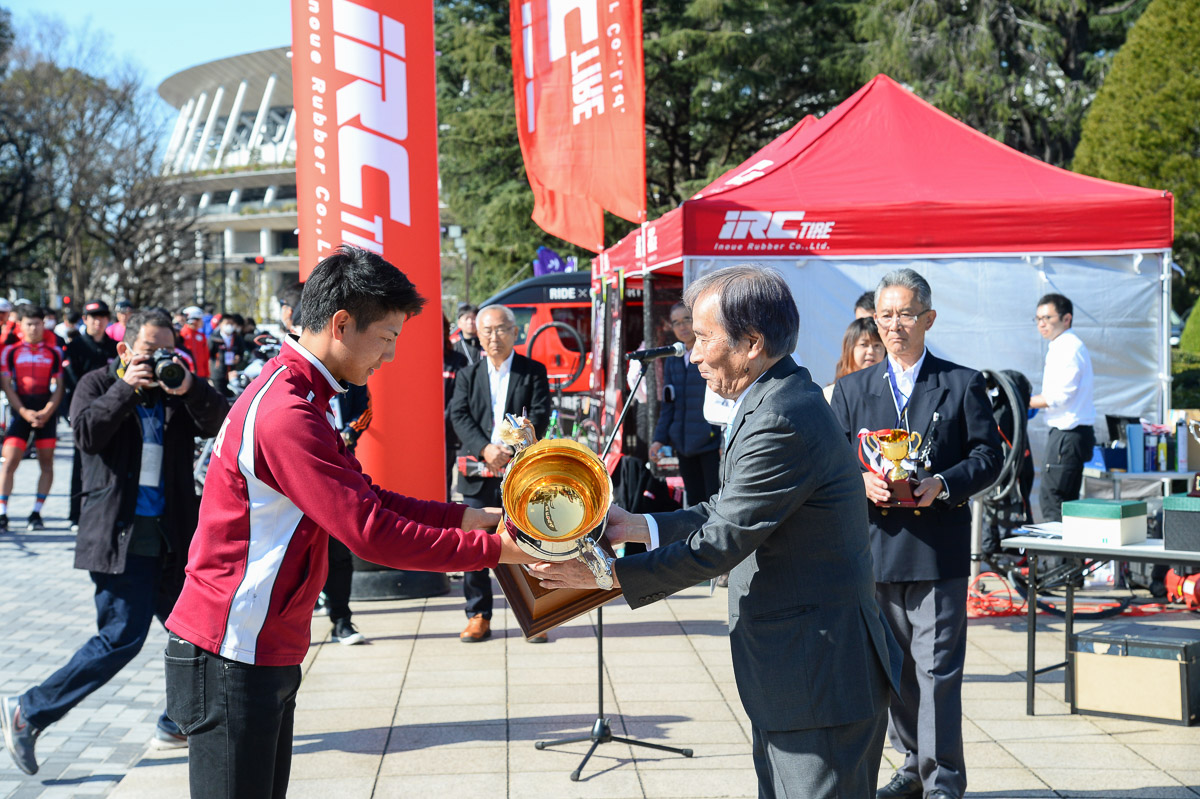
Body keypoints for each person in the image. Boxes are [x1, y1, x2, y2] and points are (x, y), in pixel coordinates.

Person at [162, 246, 537, 799]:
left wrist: (476, 517)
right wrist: (497, 551)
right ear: (341, 324)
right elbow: (368, 532)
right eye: (386, 337)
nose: (388, 356)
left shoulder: (304, 394)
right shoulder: (286, 412)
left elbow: (368, 497)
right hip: (231, 647)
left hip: (263, 641)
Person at [533, 265, 897, 799]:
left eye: (703, 338)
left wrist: (604, 577)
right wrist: (640, 525)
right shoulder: (773, 396)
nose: (694, 354)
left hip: (818, 677)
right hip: (801, 674)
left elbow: (722, 542)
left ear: (751, 343)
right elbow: (730, 508)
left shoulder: (782, 416)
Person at [0, 310, 229, 775]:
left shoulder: (175, 388)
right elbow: (85, 435)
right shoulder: (97, 382)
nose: (160, 360)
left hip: (172, 538)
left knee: (199, 635)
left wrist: (189, 386)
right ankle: (29, 712)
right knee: (121, 638)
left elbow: (223, 423)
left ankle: (174, 723)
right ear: (125, 349)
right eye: (149, 351)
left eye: (169, 350)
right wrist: (127, 388)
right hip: (120, 537)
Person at [829, 268, 1003, 799]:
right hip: (875, 551)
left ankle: (943, 780)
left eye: (906, 314)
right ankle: (911, 763)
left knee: (938, 673)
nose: (895, 325)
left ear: (928, 318)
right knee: (896, 672)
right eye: (885, 315)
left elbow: (988, 456)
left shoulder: (960, 382)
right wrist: (860, 481)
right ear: (873, 321)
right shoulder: (852, 389)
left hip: (937, 554)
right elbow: (832, 458)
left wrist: (944, 484)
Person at [449, 303, 551, 643]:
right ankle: (478, 614)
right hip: (478, 470)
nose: (495, 337)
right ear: (478, 335)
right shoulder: (467, 374)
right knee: (475, 542)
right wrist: (485, 448)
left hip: (518, 471)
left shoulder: (532, 371)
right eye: (488, 331)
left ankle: (534, 613)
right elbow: (458, 415)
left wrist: (509, 450)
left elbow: (539, 411)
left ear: (515, 332)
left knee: (527, 542)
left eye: (502, 329)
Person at [1029, 293, 1095, 522]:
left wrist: (1022, 401)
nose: (1041, 324)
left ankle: (1059, 559)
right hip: (1070, 434)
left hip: (1068, 434)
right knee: (1064, 501)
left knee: (1053, 500)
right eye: (1037, 318)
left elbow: (1060, 395)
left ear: (1066, 318)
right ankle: (1066, 559)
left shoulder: (1068, 347)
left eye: (1047, 317)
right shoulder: (1063, 345)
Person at [648, 302, 720, 506]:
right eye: (676, 322)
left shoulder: (710, 356)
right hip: (683, 445)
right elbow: (669, 405)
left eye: (687, 319)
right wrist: (658, 440)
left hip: (710, 444)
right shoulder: (673, 359)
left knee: (713, 501)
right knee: (695, 502)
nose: (682, 326)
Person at [0, 307, 65, 531]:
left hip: (46, 412)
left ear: (43, 324)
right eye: (28, 323)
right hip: (20, 411)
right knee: (9, 462)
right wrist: (24, 412)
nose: (33, 328)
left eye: (37, 323)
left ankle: (36, 512)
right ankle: (3, 512)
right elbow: (7, 386)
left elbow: (59, 386)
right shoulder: (10, 351)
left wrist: (48, 411)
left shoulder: (55, 351)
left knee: (46, 463)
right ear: (21, 325)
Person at [63, 300, 119, 530]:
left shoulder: (116, 346)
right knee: (80, 463)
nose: (98, 321)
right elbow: (70, 377)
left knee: (111, 462)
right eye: (93, 316)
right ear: (84, 319)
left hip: (112, 411)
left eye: (102, 316)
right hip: (84, 411)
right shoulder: (75, 346)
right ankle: (75, 514)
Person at [823, 317, 885, 402]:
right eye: (864, 344)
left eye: (877, 345)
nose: (871, 351)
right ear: (850, 348)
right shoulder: (831, 394)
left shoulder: (891, 391)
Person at [443, 314, 469, 501]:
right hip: (422, 433)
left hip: (448, 430)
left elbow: (459, 397)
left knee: (444, 476)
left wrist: (444, 418)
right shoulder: (419, 360)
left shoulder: (457, 360)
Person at [209, 313, 248, 395]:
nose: (229, 326)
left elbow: (242, 353)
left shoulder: (237, 338)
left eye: (231, 324)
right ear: (221, 324)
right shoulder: (214, 338)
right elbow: (209, 354)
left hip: (232, 373)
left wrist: (239, 358)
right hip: (218, 373)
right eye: (227, 323)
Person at [179, 306, 211, 381]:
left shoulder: (201, 336)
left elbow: (206, 356)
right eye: (200, 319)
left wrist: (207, 373)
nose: (202, 322)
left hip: (201, 375)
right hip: (187, 374)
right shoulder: (182, 334)